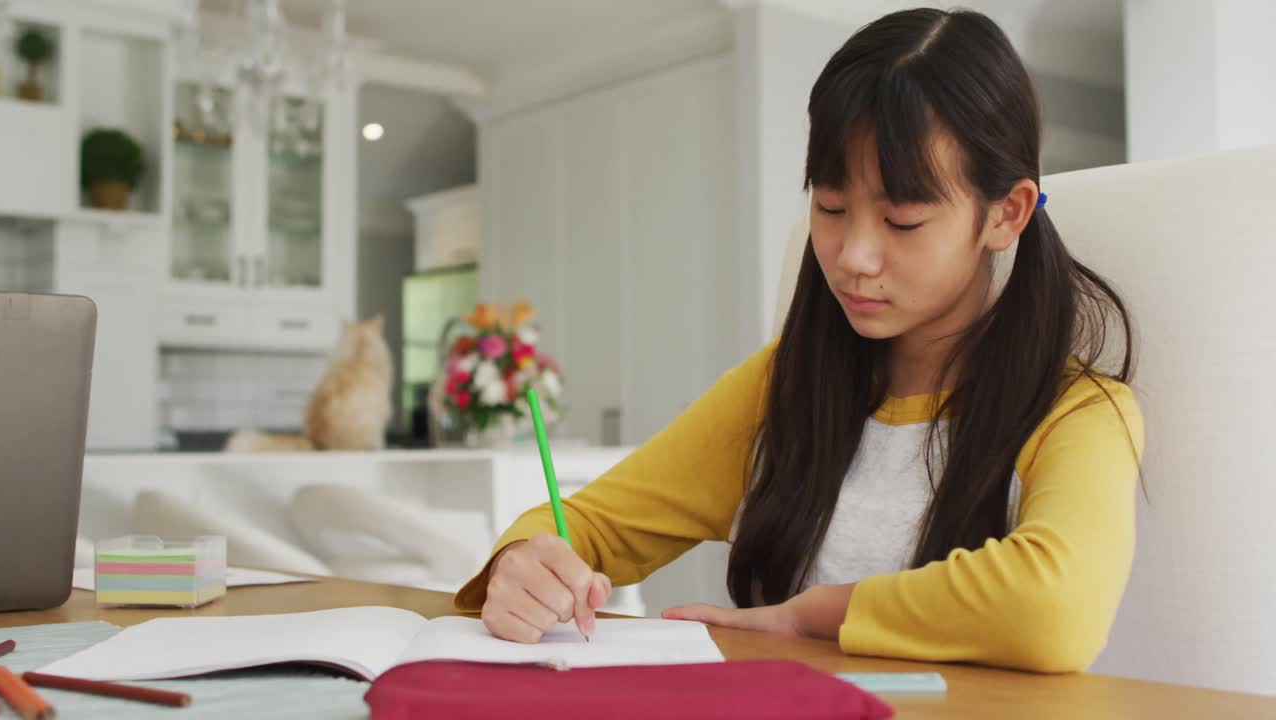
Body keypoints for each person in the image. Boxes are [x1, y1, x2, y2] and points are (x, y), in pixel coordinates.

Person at [454, 7, 1144, 673]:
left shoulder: (1078, 413)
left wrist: (812, 615)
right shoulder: (779, 389)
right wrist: (525, 561)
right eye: (831, 207)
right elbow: (588, 525)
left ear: (1008, 214)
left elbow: (1055, 609)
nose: (853, 256)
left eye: (902, 220)